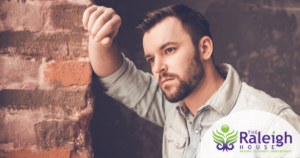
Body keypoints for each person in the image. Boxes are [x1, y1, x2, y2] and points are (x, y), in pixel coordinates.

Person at [82, 4, 300, 158]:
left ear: (204, 48)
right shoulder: (172, 106)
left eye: (169, 50)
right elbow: (115, 76)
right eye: (151, 59)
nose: (158, 67)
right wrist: (99, 35)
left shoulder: (270, 121)